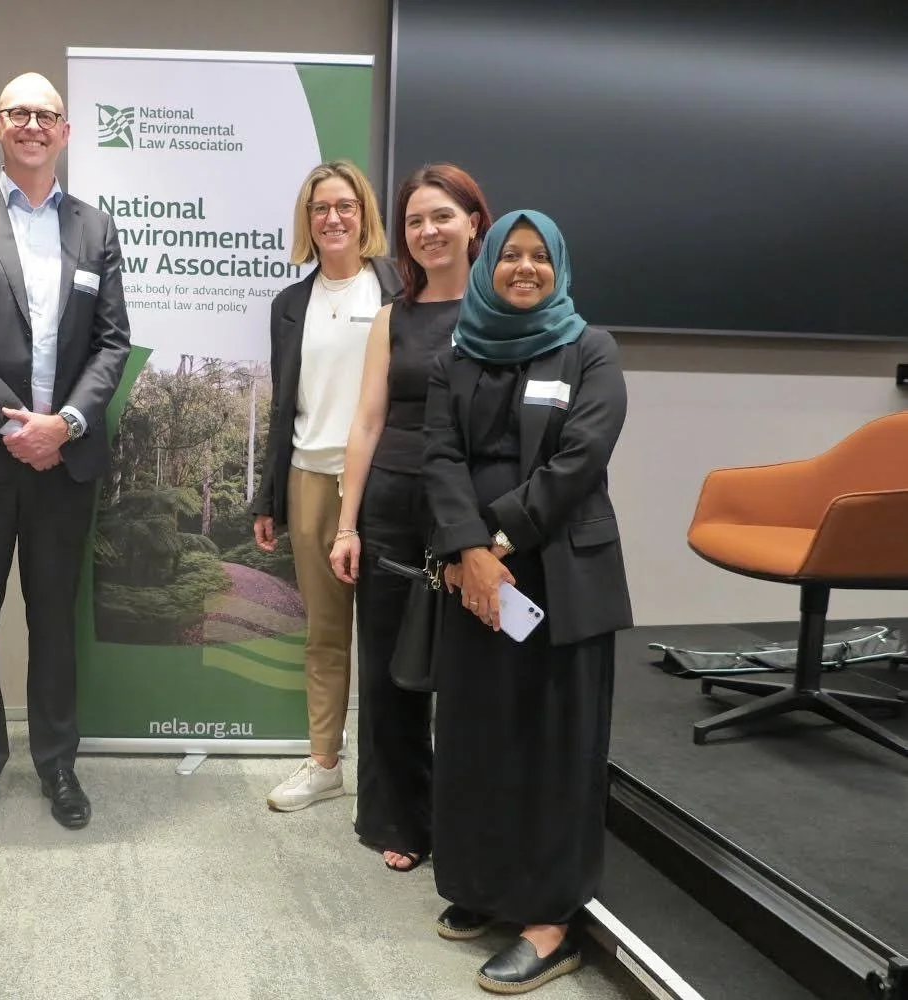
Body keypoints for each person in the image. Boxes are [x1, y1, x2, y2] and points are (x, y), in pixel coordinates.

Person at [421, 209, 632, 993]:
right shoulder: (456, 354)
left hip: (560, 577)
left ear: (558, 267)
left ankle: (549, 921)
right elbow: (437, 455)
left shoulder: (589, 349)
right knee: (477, 735)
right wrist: (464, 550)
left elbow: (580, 458)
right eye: (508, 255)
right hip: (473, 576)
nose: (522, 268)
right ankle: (481, 885)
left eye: (538, 257)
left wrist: (494, 543)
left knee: (554, 746)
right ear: (486, 265)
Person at [0, 73, 130, 836]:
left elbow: (112, 341)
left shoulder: (95, 228)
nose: (33, 125)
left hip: (64, 463)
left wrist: (65, 423)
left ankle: (57, 763)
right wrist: (16, 427)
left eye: (46, 114)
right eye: (19, 113)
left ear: (65, 131)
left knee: (52, 619)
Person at [329, 164, 493, 871]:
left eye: (442, 217)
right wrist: (346, 524)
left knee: (469, 675)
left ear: (474, 224)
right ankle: (398, 818)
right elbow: (364, 423)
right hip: (391, 510)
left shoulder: (502, 313)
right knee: (391, 674)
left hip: (469, 516)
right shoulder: (394, 315)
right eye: (416, 221)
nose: (428, 231)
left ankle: (465, 818)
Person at [251, 160, 401, 811]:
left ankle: (397, 774)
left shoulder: (399, 291)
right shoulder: (290, 305)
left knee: (395, 633)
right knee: (325, 631)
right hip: (311, 481)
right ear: (306, 222)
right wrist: (269, 496)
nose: (332, 218)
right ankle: (323, 763)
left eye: (344, 206)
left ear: (363, 214)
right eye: (319, 209)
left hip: (389, 485)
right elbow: (283, 407)